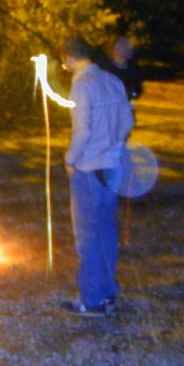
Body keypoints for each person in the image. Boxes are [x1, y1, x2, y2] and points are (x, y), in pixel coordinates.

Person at [61, 37, 134, 317]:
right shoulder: (112, 80)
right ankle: (107, 293)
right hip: (112, 167)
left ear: (69, 58)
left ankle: (92, 300)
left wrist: (70, 159)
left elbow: (83, 130)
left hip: (89, 169)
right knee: (106, 230)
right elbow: (127, 121)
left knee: (88, 235)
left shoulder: (82, 85)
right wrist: (113, 146)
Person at [98, 36, 143, 101]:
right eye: (122, 44)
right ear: (114, 48)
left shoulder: (133, 70)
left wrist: (131, 94)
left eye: (128, 44)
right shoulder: (104, 68)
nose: (126, 47)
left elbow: (137, 90)